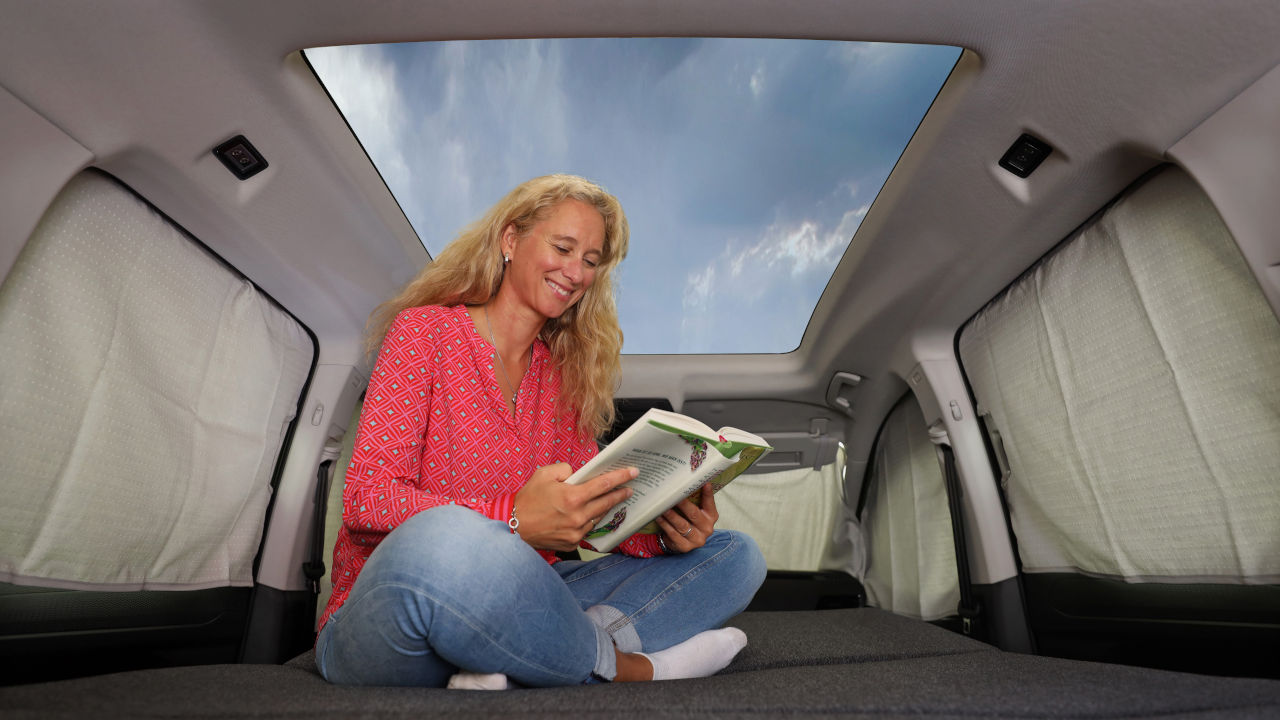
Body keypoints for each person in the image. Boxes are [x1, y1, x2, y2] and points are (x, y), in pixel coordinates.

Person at [316, 174, 766, 688]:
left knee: (736, 556)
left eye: (590, 261)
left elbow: (596, 520)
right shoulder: (424, 332)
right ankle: (628, 666)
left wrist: (667, 531)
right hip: (396, 607)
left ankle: (520, 657)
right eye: (563, 248)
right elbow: (368, 502)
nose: (575, 272)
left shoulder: (559, 378)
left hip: (519, 597)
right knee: (444, 541)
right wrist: (511, 519)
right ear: (510, 240)